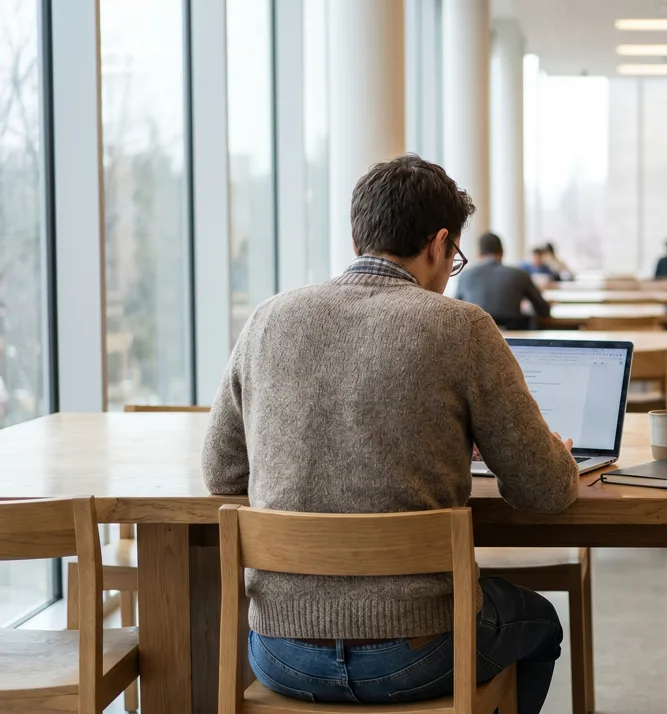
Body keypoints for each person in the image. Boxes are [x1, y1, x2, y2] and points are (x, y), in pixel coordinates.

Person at [201, 154, 579, 712]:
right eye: (453, 261)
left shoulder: (268, 318)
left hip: (279, 650)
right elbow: (543, 491)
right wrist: (558, 460)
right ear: (440, 244)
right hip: (419, 649)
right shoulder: (462, 327)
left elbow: (222, 474)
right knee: (541, 621)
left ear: (358, 237)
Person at [455, 232, 551, 329]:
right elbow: (543, 310)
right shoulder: (520, 274)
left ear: (478, 254)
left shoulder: (466, 275)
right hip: (515, 338)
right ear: (502, 252)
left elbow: (456, 311)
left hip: (476, 335)